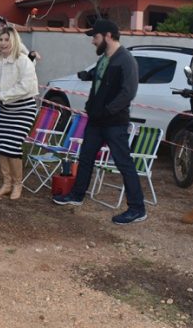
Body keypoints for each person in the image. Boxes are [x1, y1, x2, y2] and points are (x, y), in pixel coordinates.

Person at [53, 19, 147, 225]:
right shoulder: (104, 58)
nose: (93, 41)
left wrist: (107, 110)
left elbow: (128, 92)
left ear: (108, 36)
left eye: (95, 37)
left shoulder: (126, 60)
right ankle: (77, 195)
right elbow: (99, 79)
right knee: (85, 158)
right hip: (95, 121)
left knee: (124, 163)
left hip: (114, 122)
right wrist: (87, 78)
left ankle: (137, 208)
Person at [0, 26, 38, 200]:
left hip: (25, 108)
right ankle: (6, 184)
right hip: (6, 109)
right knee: (2, 146)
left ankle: (18, 184)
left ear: (14, 41)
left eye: (7, 39)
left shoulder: (24, 61)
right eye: (0, 40)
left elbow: (25, 87)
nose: (3, 43)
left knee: (12, 146)